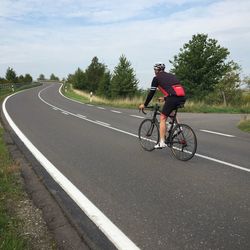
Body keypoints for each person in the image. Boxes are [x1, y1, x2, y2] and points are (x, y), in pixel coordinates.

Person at [139, 63, 186, 149]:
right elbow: (173, 89)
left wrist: (145, 104)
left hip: (172, 98)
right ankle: (179, 128)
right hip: (182, 97)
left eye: (155, 70)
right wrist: (165, 97)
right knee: (171, 112)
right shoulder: (171, 76)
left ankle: (161, 142)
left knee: (162, 118)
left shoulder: (156, 78)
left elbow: (151, 92)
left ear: (157, 70)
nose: (154, 72)